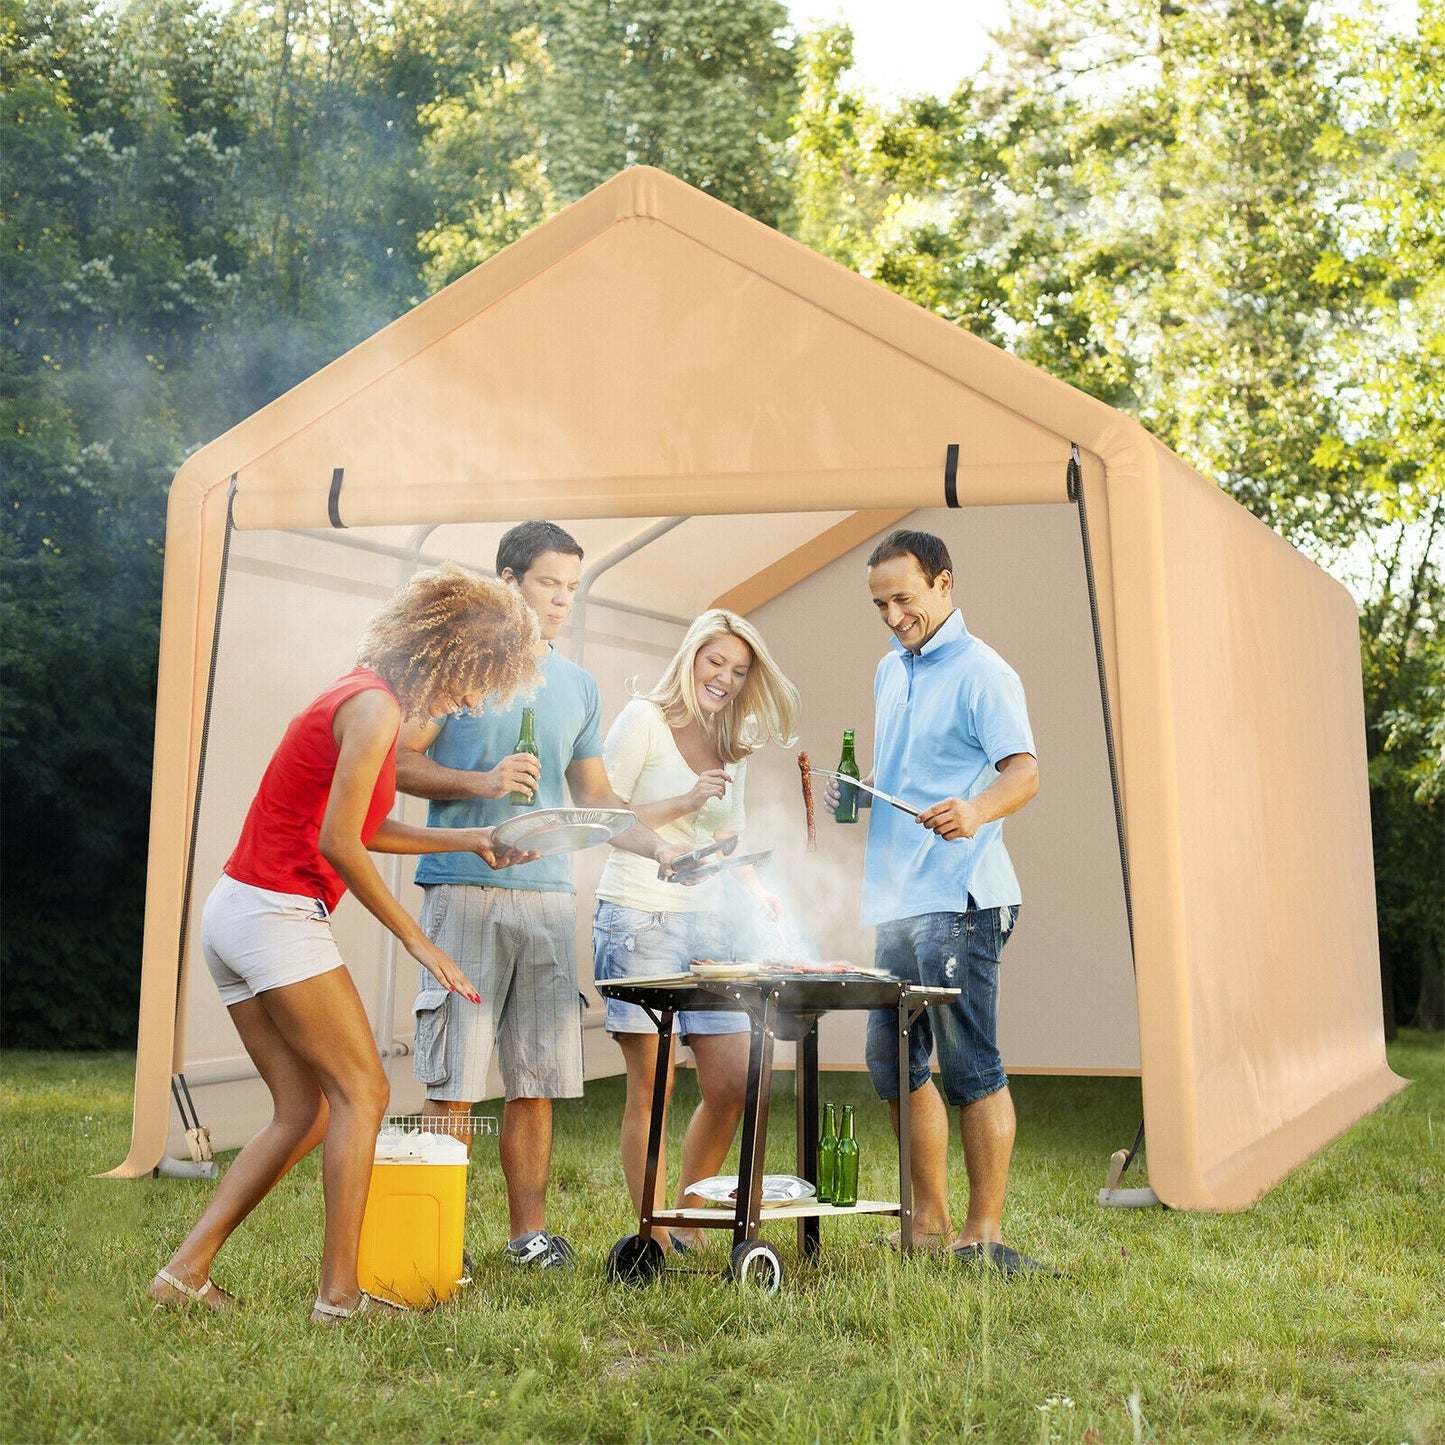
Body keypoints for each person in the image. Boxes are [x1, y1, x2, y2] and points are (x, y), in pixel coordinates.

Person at [149, 565, 543, 1324]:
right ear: (450, 653)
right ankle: (339, 1297)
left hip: (238, 910)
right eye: (476, 680)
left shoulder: (359, 694)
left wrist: (473, 837)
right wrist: (419, 941)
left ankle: (184, 1272)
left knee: (305, 1110)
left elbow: (360, 825)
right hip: (275, 913)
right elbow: (339, 843)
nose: (472, 700)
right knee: (364, 1093)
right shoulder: (376, 707)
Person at [397, 521, 678, 1270]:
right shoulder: (457, 665)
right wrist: (482, 782)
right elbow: (394, 760)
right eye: (548, 583)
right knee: (455, 1076)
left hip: (550, 898)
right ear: (508, 580)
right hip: (465, 887)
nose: (561, 600)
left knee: (537, 1077)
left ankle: (529, 1238)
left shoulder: (578, 685)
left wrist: (660, 848)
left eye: (571, 588)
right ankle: (436, 1240)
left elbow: (596, 797)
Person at [829, 528, 1047, 1275]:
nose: (893, 616)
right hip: (895, 899)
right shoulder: (890, 670)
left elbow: (1024, 773)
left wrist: (976, 810)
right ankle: (927, 1221)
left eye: (904, 598)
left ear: (943, 584)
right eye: (879, 604)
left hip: (961, 899)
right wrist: (854, 792)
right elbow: (907, 774)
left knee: (969, 1065)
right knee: (892, 1062)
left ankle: (981, 1236)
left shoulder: (985, 672)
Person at [593, 609, 800, 1253]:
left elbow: (725, 840)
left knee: (734, 1081)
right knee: (655, 1087)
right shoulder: (642, 720)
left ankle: (688, 1220)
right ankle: (652, 1236)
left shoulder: (734, 742)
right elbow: (604, 814)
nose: (726, 679)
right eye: (716, 662)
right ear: (690, 658)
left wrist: (758, 892)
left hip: (712, 926)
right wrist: (685, 800)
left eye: (739, 671)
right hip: (639, 916)